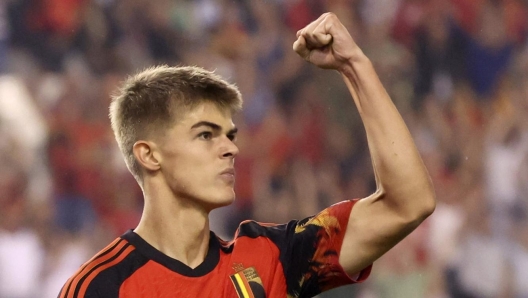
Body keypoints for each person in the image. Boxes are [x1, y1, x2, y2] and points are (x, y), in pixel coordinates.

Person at [58, 13, 435, 298]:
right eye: (205, 134)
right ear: (149, 155)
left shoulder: (270, 259)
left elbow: (407, 203)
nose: (231, 148)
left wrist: (355, 66)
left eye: (230, 135)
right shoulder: (101, 286)